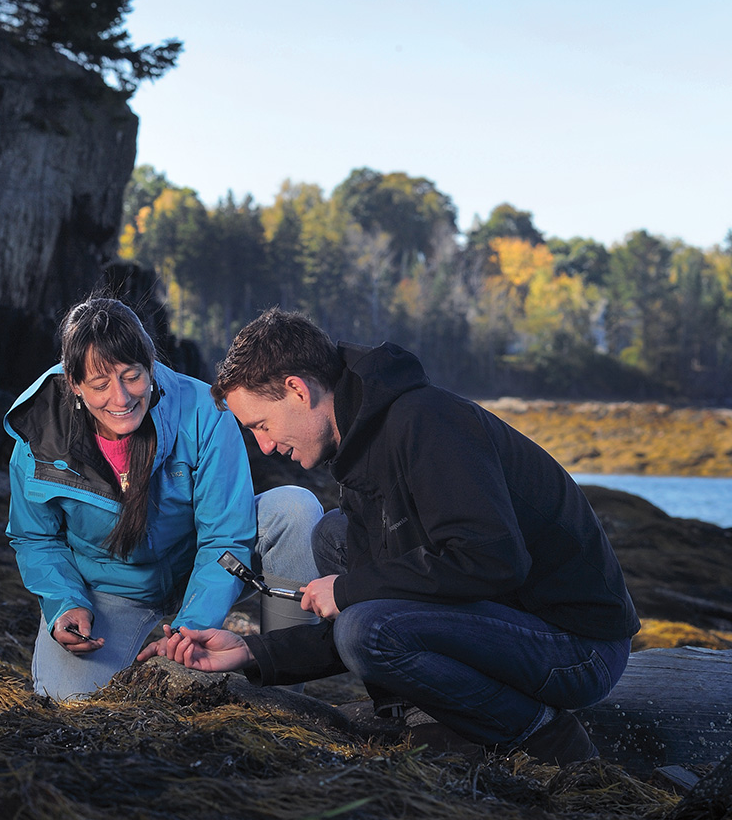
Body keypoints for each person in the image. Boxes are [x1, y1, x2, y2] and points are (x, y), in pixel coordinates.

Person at [146, 307, 640, 766]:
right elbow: (390, 593)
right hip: (509, 621)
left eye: (261, 425)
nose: (266, 446)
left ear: (298, 389)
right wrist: (251, 652)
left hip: (578, 648)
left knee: (367, 629)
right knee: (334, 537)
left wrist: (347, 591)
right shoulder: (361, 444)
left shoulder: (428, 423)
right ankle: (419, 713)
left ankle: (542, 734)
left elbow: (493, 560)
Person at [5, 297, 323, 701]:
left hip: (200, 562)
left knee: (295, 508)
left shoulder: (204, 411)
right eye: (100, 385)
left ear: (151, 364)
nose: (121, 399)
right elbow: (36, 539)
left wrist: (191, 628)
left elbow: (224, 537)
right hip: (110, 589)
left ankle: (286, 679)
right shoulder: (40, 436)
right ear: (75, 384)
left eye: (132, 376)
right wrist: (64, 602)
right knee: (65, 701)